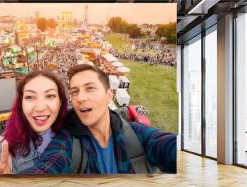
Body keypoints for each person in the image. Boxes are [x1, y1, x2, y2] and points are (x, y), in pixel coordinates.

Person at [20, 64, 176, 174]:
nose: (80, 97)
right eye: (74, 92)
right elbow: (49, 165)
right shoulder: (67, 141)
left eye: (90, 88)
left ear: (109, 96)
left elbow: (170, 148)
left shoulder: (137, 136)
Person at [0, 70, 69, 174]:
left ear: (60, 102)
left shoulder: (72, 127)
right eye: (30, 97)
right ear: (21, 104)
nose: (40, 108)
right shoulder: (4, 149)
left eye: (50, 96)